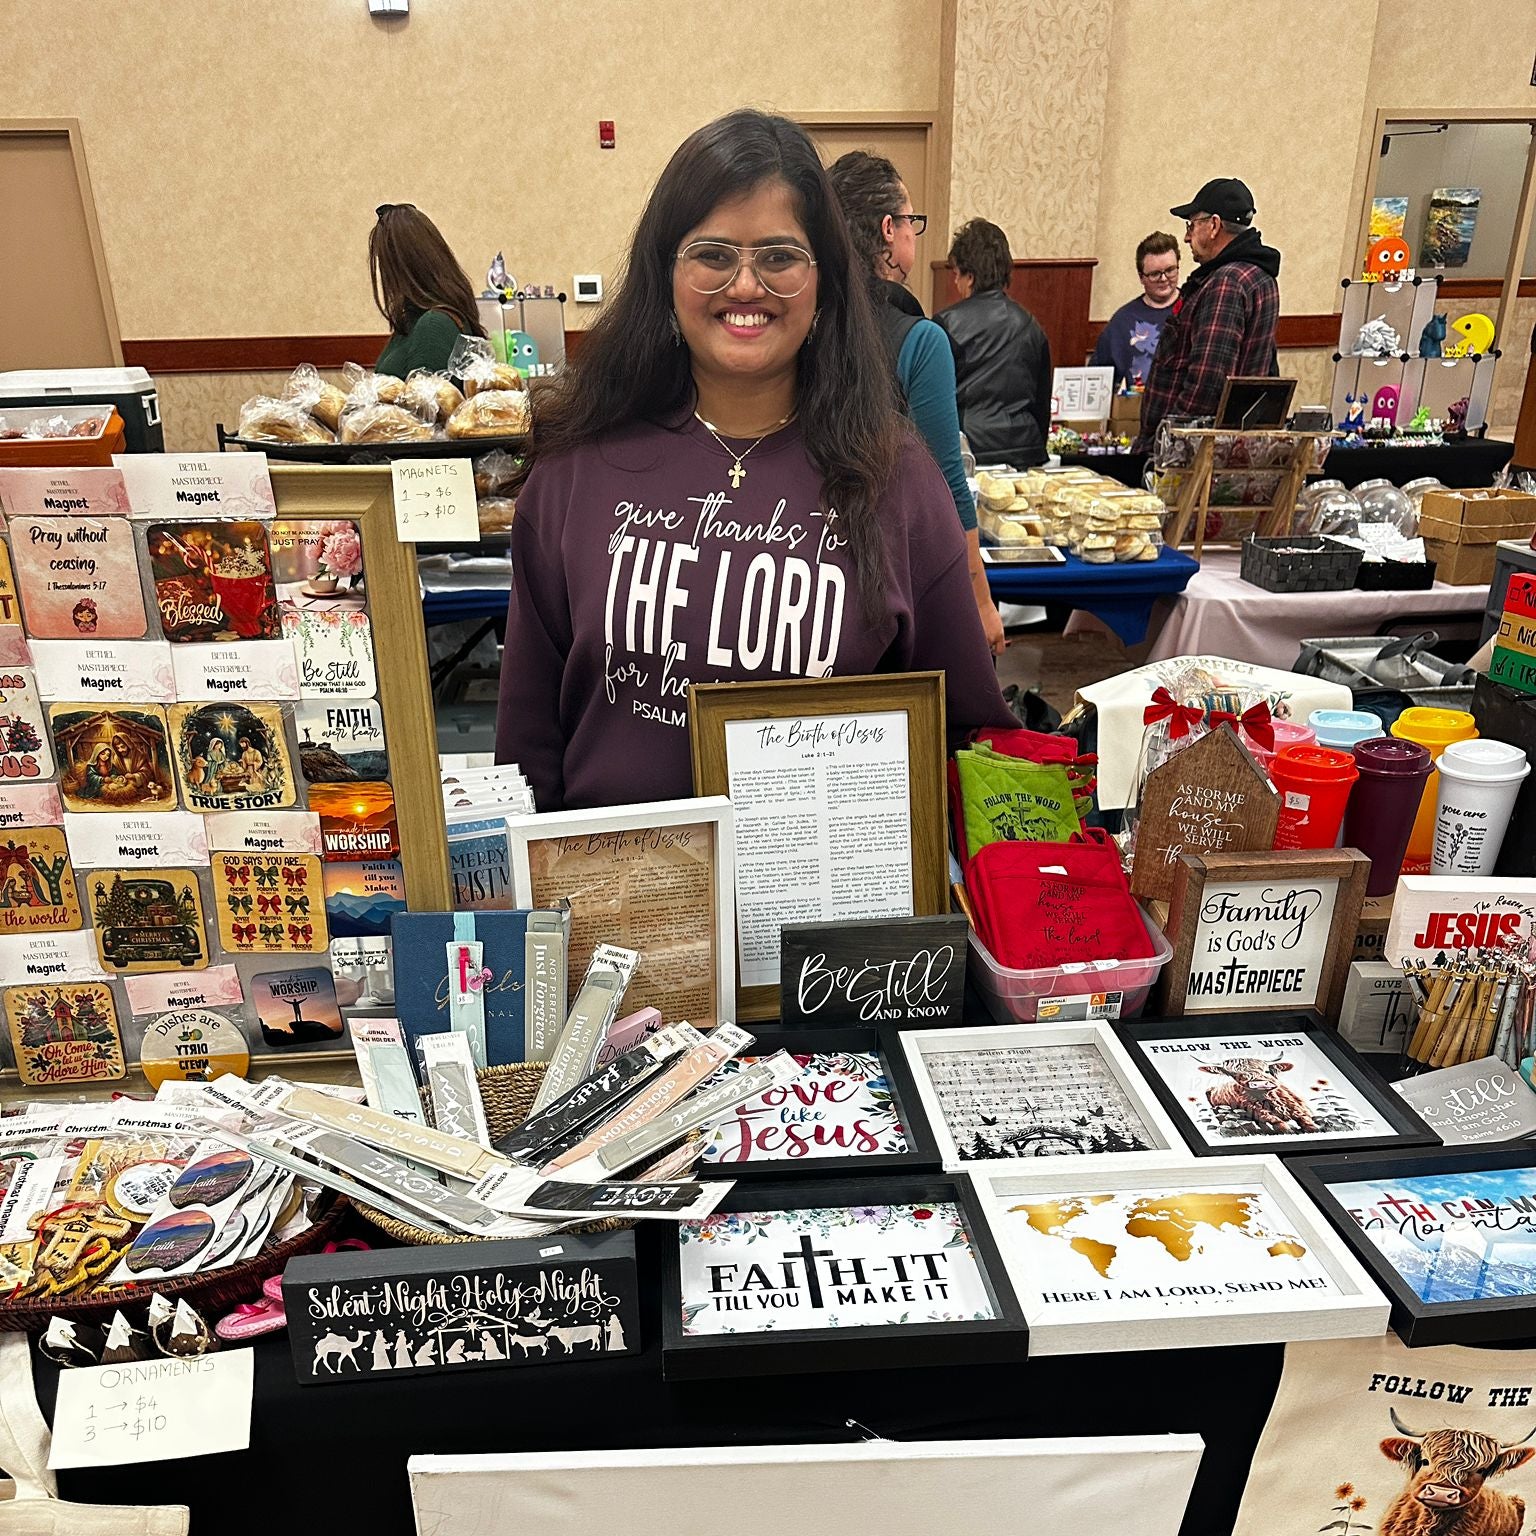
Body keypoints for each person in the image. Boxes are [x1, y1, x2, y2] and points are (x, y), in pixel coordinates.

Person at [495, 110, 1012, 810]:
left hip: (831, 880)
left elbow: (962, 739)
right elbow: (527, 749)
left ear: (824, 279)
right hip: (614, 881)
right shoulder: (574, 471)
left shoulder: (899, 481)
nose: (745, 286)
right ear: (664, 271)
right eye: (712, 255)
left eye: (778, 257)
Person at [826, 152, 1004, 656]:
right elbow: (945, 482)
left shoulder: (802, 327)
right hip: (892, 574)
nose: (913, 234)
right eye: (911, 221)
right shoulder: (921, 341)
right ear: (888, 229)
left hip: (806, 569)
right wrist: (981, 601)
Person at [1137, 179, 1281, 448]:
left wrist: (1163, 444)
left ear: (1214, 225)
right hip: (1228, 446)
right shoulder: (1258, 276)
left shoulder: (1226, 283)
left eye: (1191, 225)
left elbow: (1207, 385)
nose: (1186, 237)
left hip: (1189, 454)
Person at [933, 218, 1052, 469]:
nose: (955, 282)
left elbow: (936, 400)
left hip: (970, 450)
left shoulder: (946, 324)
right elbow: (1042, 403)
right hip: (1025, 450)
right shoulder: (1030, 324)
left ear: (970, 276)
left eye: (956, 274)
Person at [369, 204, 486, 378]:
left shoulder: (433, 325)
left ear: (401, 266)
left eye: (384, 262)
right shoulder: (413, 321)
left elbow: (426, 395)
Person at [1090, 231, 1180, 389]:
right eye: (1155, 274)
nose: (1164, 278)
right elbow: (1096, 379)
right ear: (1141, 277)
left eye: (1170, 270)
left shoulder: (1195, 307)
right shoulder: (1122, 321)